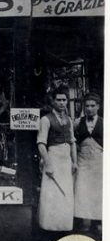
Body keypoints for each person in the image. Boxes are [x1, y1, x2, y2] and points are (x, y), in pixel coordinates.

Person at [37, 87, 78, 231]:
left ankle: (64, 226)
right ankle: (49, 226)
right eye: (58, 100)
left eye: (64, 100)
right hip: (53, 157)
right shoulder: (45, 119)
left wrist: (75, 162)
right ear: (53, 101)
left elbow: (72, 141)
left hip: (66, 160)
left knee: (65, 192)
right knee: (52, 193)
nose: (61, 103)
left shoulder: (69, 120)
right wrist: (48, 164)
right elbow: (41, 144)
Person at [74, 93, 103, 233]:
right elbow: (71, 139)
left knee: (98, 191)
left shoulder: (105, 122)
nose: (90, 109)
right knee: (82, 190)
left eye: (93, 106)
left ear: (98, 106)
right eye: (87, 106)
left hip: (99, 161)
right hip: (83, 161)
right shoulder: (78, 122)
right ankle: (82, 221)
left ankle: (98, 221)